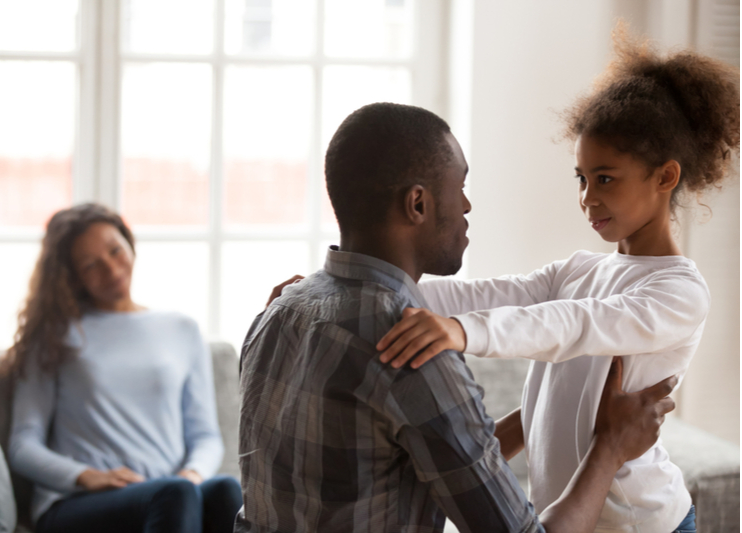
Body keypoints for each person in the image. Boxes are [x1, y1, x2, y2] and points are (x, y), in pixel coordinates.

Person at [236, 102, 677, 533]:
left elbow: (432, 462)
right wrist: (610, 446)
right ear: (418, 204)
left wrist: (545, 408)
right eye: (460, 185)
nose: (467, 205)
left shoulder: (277, 314)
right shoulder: (414, 350)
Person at [376, 32, 739, 532]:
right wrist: (355, 286)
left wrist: (464, 332)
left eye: (605, 178)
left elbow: (573, 325)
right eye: (582, 179)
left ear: (665, 177)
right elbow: (486, 293)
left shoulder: (680, 293)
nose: (588, 197)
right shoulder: (579, 271)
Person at [4, 203, 243, 533]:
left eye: (116, 250)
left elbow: (205, 436)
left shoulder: (182, 329)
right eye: (91, 265)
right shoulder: (55, 334)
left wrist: (192, 474)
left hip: (169, 493)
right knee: (174, 494)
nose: (112, 269)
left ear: (129, 242)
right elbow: (22, 446)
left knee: (225, 490)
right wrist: (89, 478)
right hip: (76, 503)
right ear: (72, 276)